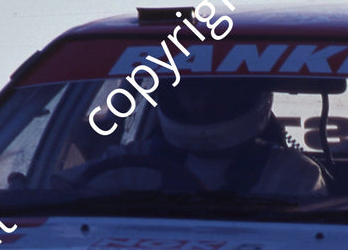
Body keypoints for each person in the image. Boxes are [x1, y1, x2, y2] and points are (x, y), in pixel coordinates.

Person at [70, 79, 327, 198]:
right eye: (189, 91)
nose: (200, 102)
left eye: (217, 93)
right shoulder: (130, 164)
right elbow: (57, 191)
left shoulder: (293, 174)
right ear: (168, 95)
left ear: (249, 96)